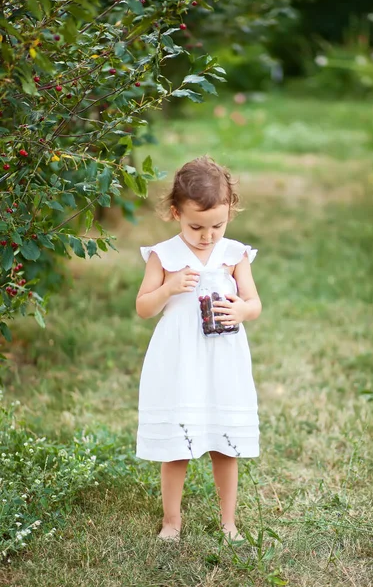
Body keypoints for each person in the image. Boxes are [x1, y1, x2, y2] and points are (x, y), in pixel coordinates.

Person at [135, 155, 262, 543]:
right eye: (196, 226)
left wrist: (240, 309)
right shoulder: (164, 256)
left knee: (226, 443)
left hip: (222, 358)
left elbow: (254, 304)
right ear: (176, 213)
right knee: (178, 443)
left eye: (217, 226)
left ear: (229, 215)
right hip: (179, 360)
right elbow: (143, 308)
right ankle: (171, 521)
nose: (207, 236)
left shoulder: (234, 254)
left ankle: (229, 522)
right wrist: (168, 288)